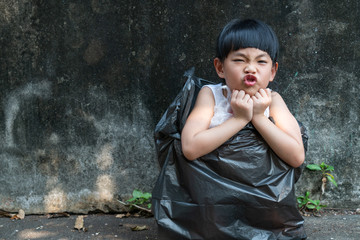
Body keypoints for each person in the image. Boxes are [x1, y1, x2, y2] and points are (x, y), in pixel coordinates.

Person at [152, 18, 307, 240]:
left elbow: (296, 156)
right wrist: (239, 119)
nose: (250, 68)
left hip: (261, 207)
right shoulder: (211, 96)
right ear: (220, 67)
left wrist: (258, 118)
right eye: (239, 59)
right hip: (211, 204)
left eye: (261, 62)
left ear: (273, 71)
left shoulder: (273, 101)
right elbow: (190, 147)